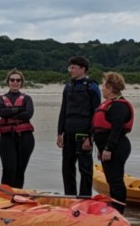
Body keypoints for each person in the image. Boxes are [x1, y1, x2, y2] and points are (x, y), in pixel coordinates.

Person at [55, 56, 100, 196]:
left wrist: (91, 137)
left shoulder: (92, 87)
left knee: (85, 169)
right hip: (68, 132)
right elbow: (63, 110)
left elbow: (96, 114)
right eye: (70, 67)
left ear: (83, 69)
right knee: (67, 168)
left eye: (73, 67)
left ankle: (85, 197)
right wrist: (59, 133)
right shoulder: (68, 87)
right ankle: (70, 197)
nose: (70, 70)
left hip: (84, 135)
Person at [91, 72, 132, 213]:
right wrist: (101, 149)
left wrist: (108, 148)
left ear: (110, 88)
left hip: (117, 147)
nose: (102, 89)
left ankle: (119, 211)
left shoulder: (119, 106)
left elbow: (117, 129)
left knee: (116, 181)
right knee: (111, 180)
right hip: (107, 148)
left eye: (103, 86)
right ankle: (114, 208)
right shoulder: (109, 104)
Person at [0, 70, 35, 188]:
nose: (15, 82)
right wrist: (18, 109)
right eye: (12, 80)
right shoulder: (1, 98)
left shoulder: (27, 99)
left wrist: (10, 113)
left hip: (25, 138)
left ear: (21, 82)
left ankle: (18, 193)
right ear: (8, 82)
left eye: (18, 80)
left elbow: (28, 114)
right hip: (7, 137)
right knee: (9, 169)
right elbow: (1, 112)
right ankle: (5, 194)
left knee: (20, 170)